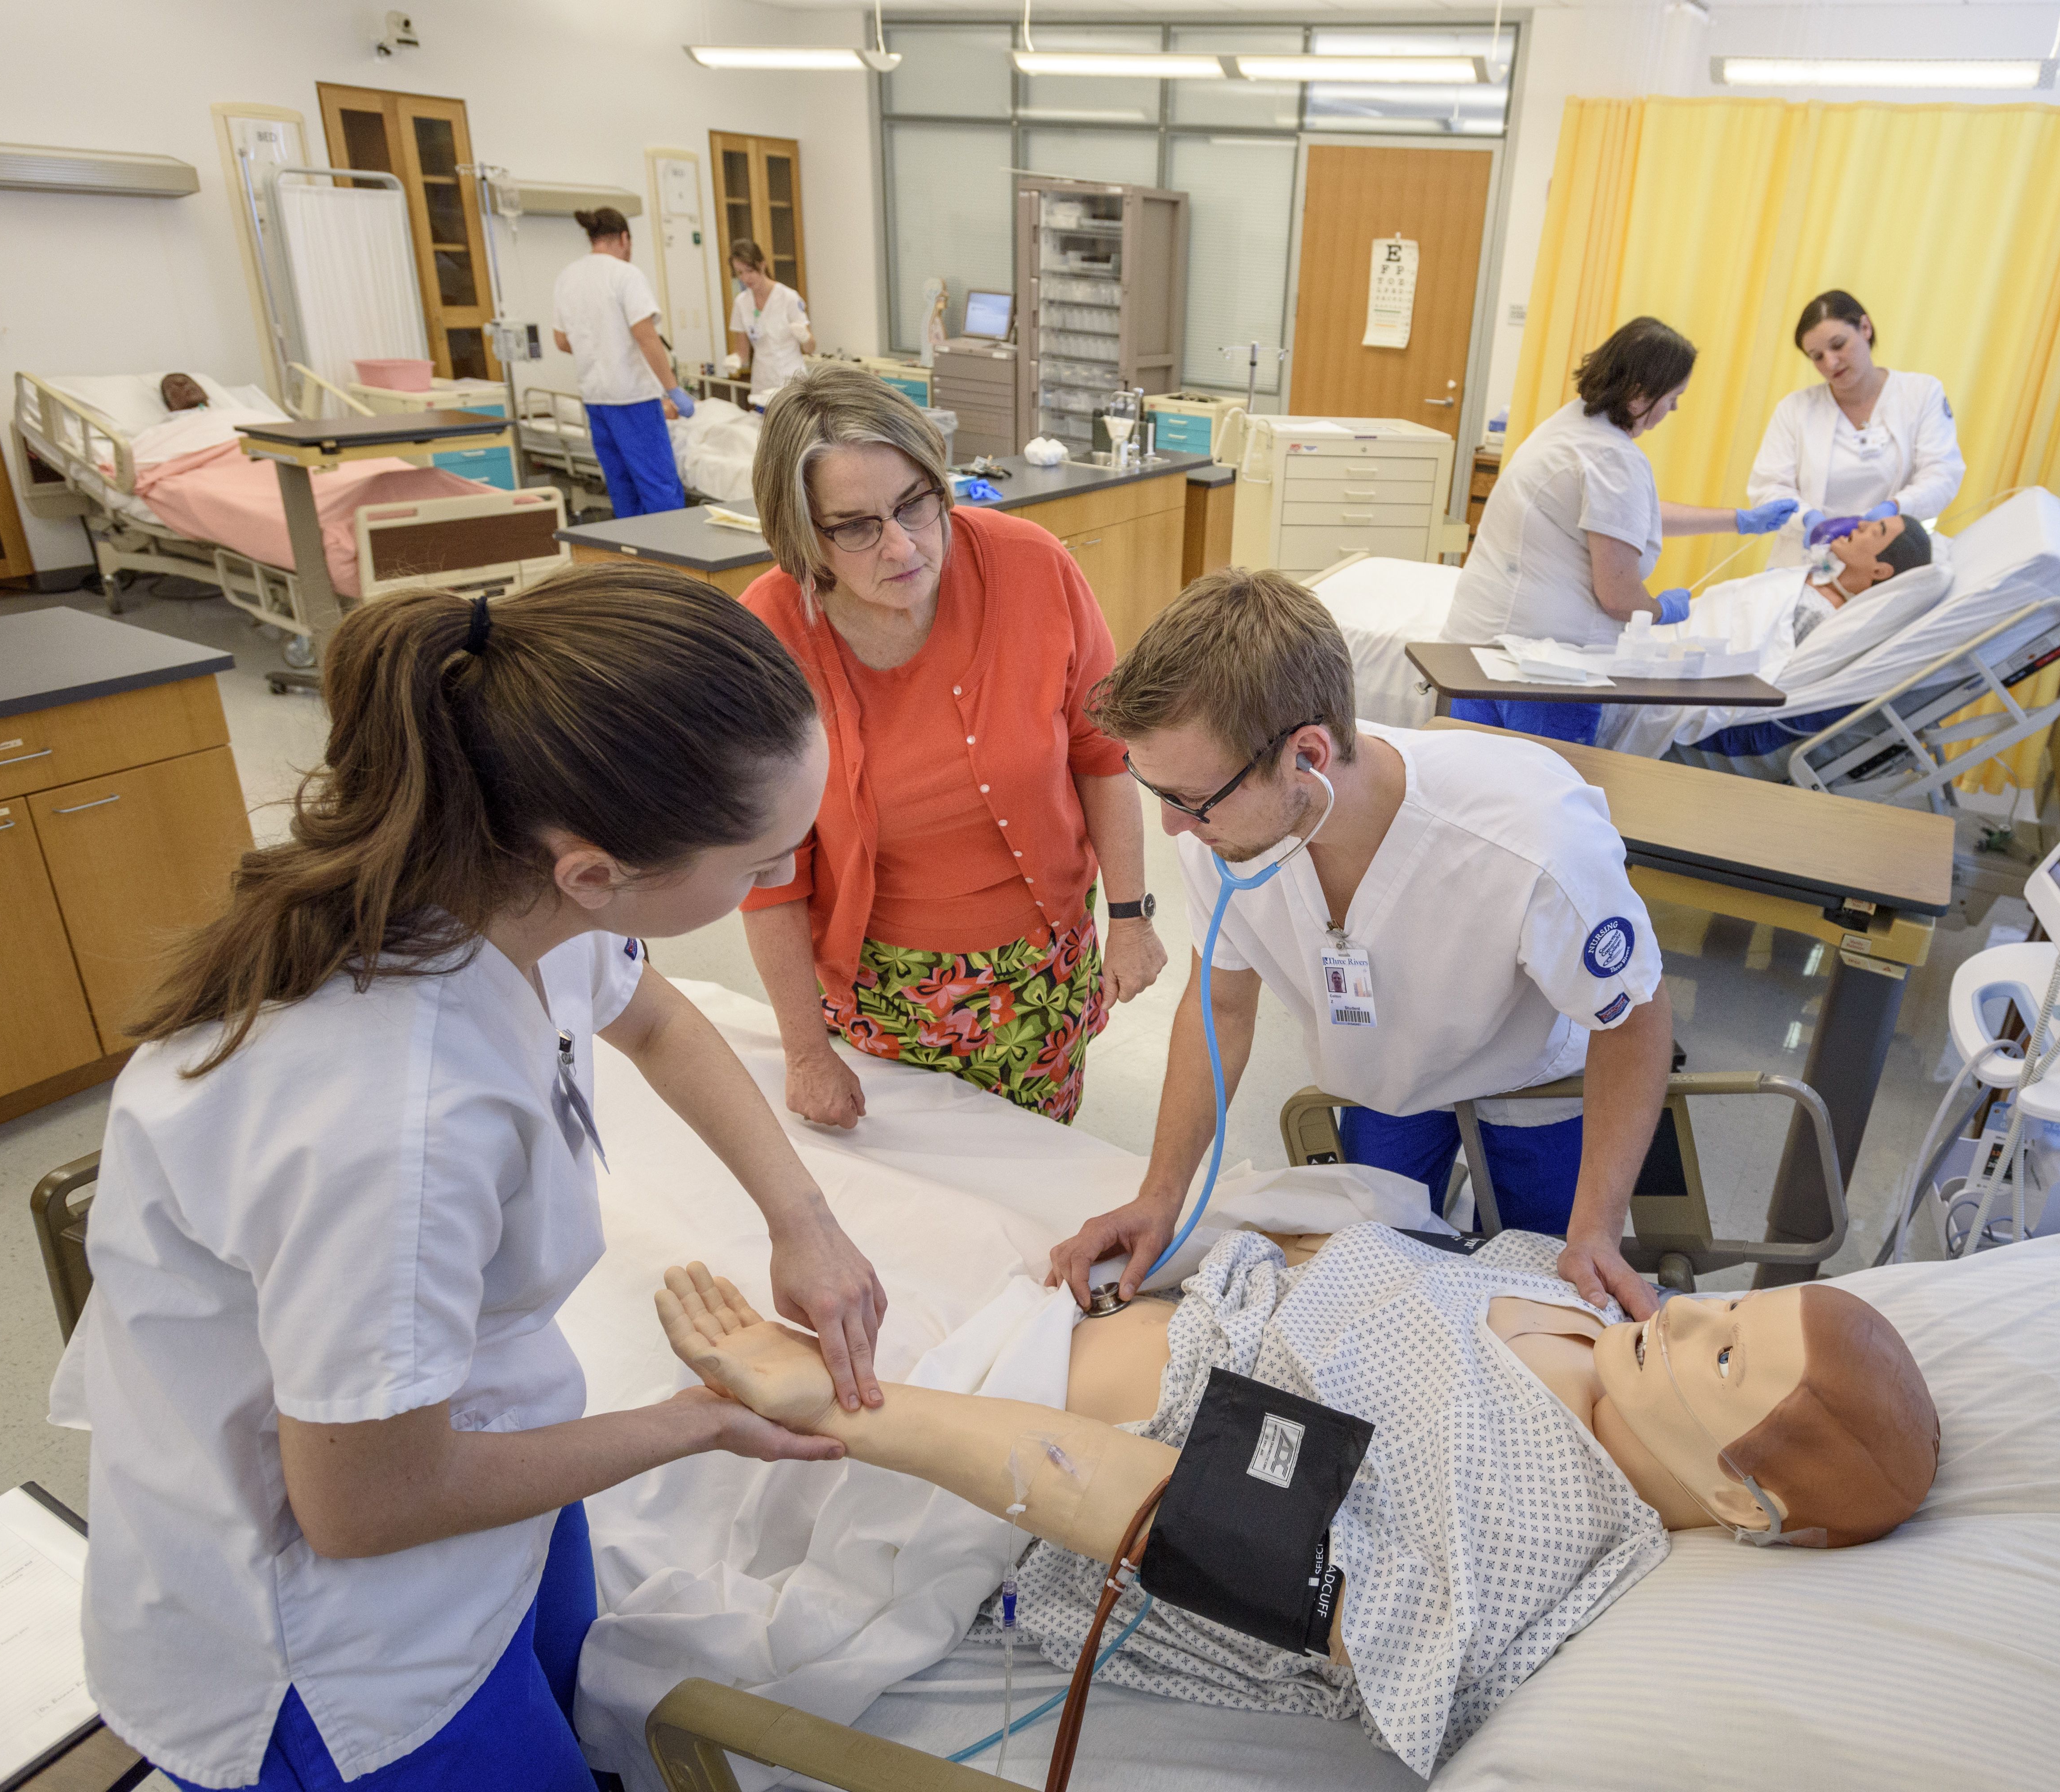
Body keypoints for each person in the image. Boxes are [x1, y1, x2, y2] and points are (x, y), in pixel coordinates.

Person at [55, 568, 891, 1792]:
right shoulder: (392, 1120)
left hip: (483, 1476)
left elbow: (652, 1017)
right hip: (338, 1650)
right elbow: (362, 1506)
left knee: (579, 1714)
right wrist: (696, 1423)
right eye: (765, 854)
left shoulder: (494, 878)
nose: (783, 874)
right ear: (596, 870)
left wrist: (802, 1217)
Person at [660, 1221, 1940, 1773]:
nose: (1701, 1309)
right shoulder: (1595, 1322)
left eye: (1729, 1359)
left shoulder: (1538, 1526)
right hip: (1072, 1313)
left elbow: (1186, 1515)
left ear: (1745, 1504)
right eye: (1739, 1306)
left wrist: (836, 1405)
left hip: (976, 1474)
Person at [1050, 568, 1679, 1316]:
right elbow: (1220, 1008)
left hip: (1533, 1077)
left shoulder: (1532, 842)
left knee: (1545, 1288)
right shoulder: (1224, 830)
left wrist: (1599, 1231)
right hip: (1391, 1077)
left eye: (1189, 800)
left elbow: (1634, 1014)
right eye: (1159, 792)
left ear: (1307, 757)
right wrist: (1159, 1196)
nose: (1173, 830)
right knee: (1383, 1276)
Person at [738, 365, 1166, 1129]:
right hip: (881, 988)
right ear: (803, 534)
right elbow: (770, 872)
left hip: (1044, 967)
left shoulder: (1031, 565)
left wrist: (1131, 918)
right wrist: (805, 1053)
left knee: (1034, 1181)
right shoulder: (770, 634)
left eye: (914, 503)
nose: (902, 545)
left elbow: (1101, 756)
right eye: (856, 526)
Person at [1442, 316, 1802, 745]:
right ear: (1639, 395)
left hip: (1479, 653)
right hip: (1545, 669)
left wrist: (1737, 521)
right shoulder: (1612, 457)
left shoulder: (1572, 426)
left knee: (1478, 786)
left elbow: (1622, 517)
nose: (1675, 409)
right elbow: (1617, 597)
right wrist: (1659, 610)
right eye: (1673, 397)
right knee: (1541, 795)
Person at [1747, 290, 1965, 570]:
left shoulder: (1921, 394)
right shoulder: (1796, 409)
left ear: (1865, 328)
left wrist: (1896, 508)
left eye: (1838, 345)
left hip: (1887, 565)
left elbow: (1942, 474)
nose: (1831, 363)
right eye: (1817, 357)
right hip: (1806, 565)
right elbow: (1769, 488)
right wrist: (1807, 521)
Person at [549, 206, 694, 518]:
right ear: (624, 238)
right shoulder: (625, 275)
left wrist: (600, 349)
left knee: (622, 487)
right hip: (633, 398)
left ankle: (634, 561)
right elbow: (646, 337)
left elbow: (562, 341)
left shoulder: (568, 277)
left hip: (596, 400)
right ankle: (672, 560)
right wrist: (673, 389)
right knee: (659, 488)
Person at [1788, 511, 1936, 643]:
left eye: (1875, 532)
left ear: (1879, 572)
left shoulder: (1816, 613)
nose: (1862, 524)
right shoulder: (1819, 573)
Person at [725, 238, 814, 408]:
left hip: (792, 383)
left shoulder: (788, 297)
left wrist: (805, 337)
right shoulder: (741, 303)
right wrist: (735, 360)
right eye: (740, 273)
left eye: (749, 271)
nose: (745, 278)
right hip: (762, 385)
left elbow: (811, 348)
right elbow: (742, 353)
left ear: (763, 264)